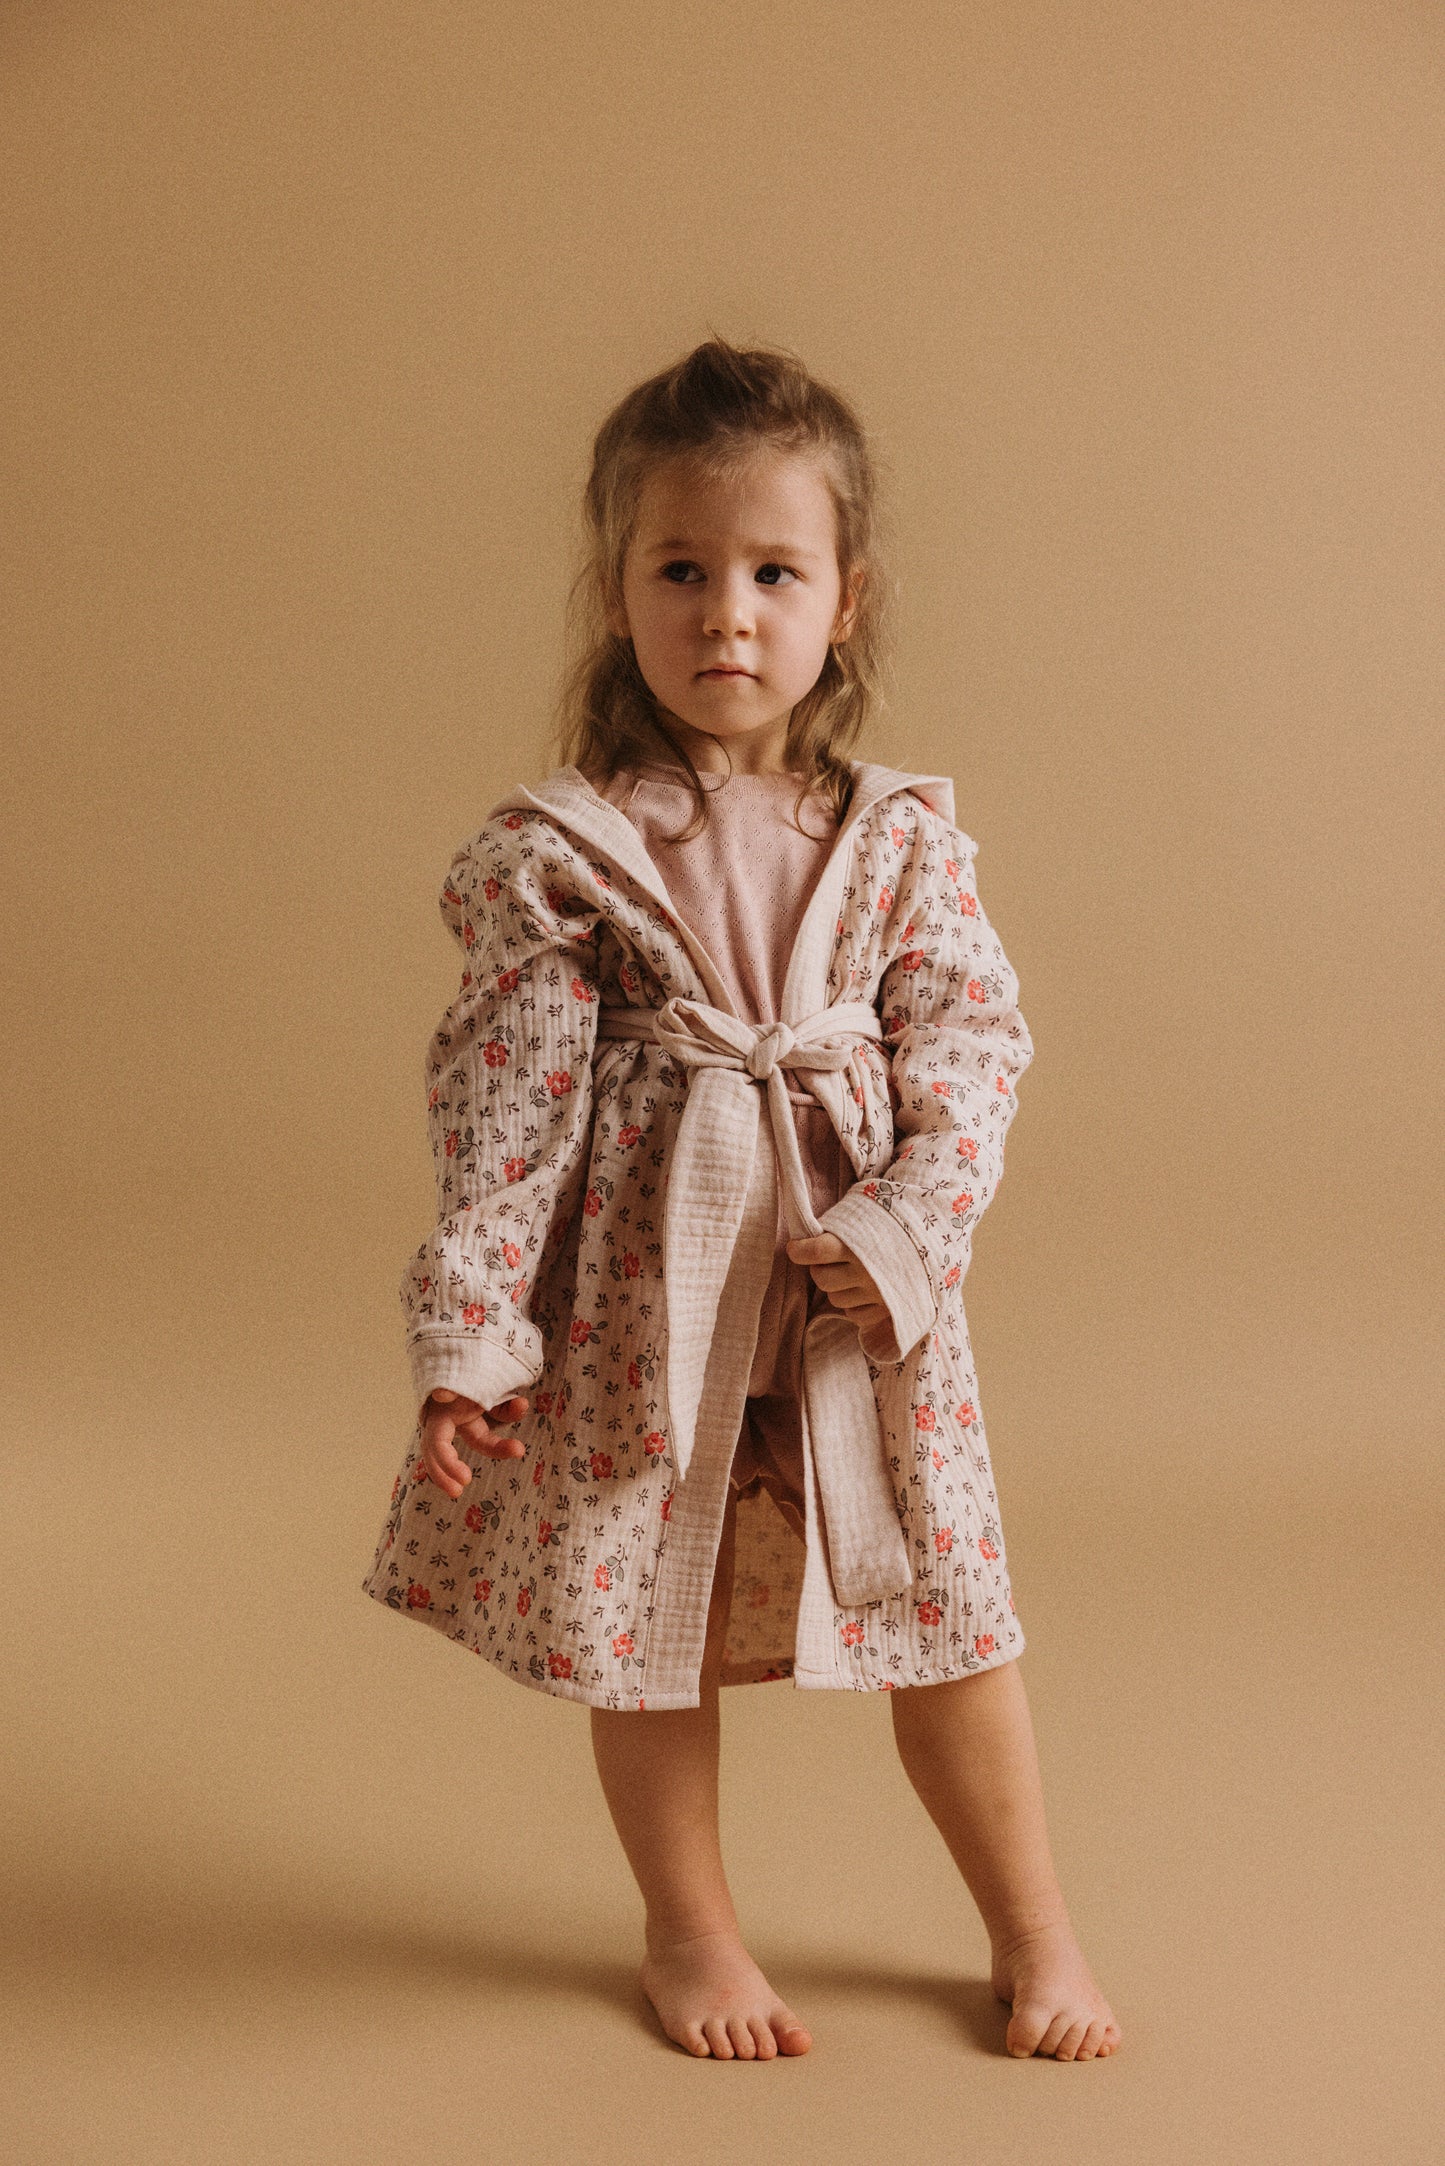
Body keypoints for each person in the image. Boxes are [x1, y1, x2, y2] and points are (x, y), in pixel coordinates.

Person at [362, 337, 1121, 2066]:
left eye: (774, 573)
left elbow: (972, 1046)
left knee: (947, 1616)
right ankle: (689, 1929)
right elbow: (503, 1109)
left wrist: (906, 1227)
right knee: (655, 1624)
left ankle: (1033, 1928)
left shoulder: (900, 837)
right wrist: (474, 1342)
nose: (726, 616)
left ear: (845, 601)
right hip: (656, 1305)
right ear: (616, 592)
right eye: (681, 570)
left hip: (856, 1306)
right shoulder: (560, 853)